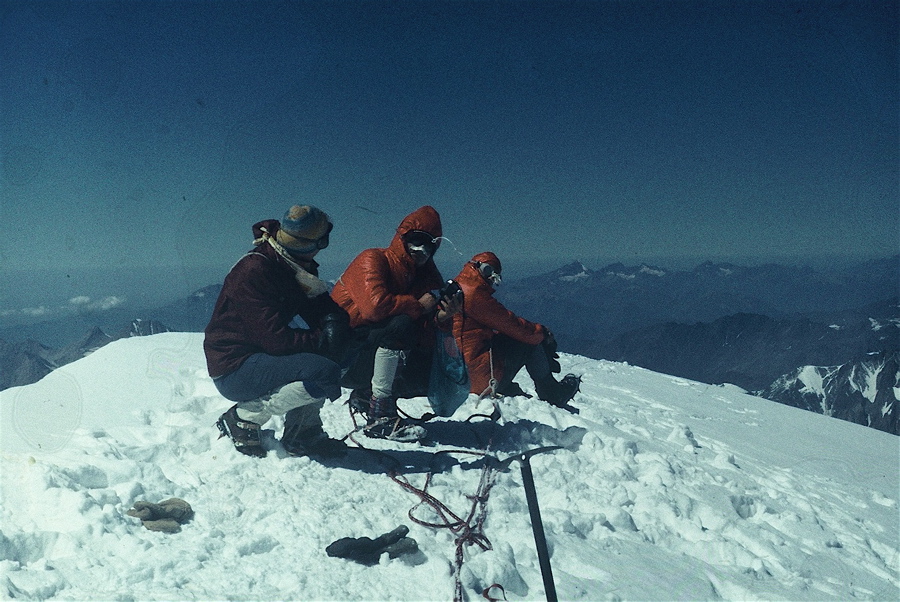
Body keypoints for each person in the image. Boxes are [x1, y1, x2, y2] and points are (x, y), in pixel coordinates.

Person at [204, 205, 351, 458]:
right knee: (323, 370)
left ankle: (303, 431)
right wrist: (322, 339)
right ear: (309, 243)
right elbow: (277, 341)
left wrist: (335, 325)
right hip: (234, 366)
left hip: (262, 359)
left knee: (344, 353)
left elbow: (318, 306)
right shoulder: (255, 270)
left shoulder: (290, 263)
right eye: (323, 240)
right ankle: (242, 419)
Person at [331, 205, 461, 441]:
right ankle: (380, 415)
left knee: (430, 365)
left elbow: (421, 332)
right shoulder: (372, 259)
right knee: (400, 325)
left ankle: (368, 397)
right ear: (402, 238)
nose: (421, 250)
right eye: (416, 241)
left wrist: (441, 319)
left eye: (429, 245)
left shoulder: (424, 275)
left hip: (364, 354)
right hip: (342, 358)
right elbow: (375, 308)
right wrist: (420, 306)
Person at [452, 252, 580, 406]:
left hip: (458, 373)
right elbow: (514, 326)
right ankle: (553, 393)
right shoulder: (475, 296)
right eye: (493, 278)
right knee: (529, 342)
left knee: (514, 338)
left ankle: (507, 385)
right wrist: (542, 332)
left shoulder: (458, 286)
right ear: (486, 270)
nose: (492, 283)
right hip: (478, 377)